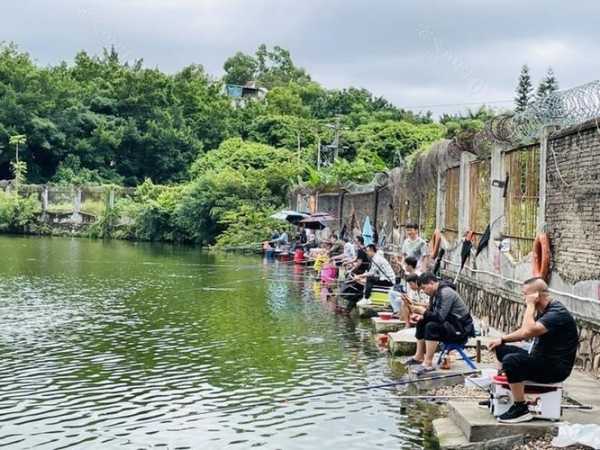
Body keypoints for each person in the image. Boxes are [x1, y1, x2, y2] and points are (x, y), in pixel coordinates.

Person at [486, 277, 578, 423]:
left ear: (537, 295)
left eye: (525, 294)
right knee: (502, 349)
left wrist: (530, 306)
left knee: (512, 361)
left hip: (554, 369)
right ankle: (502, 394)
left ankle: (520, 408)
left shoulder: (557, 313)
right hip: (541, 359)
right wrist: (502, 340)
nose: (523, 298)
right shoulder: (545, 310)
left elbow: (528, 331)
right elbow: (524, 332)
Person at [406, 272, 474, 375]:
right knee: (421, 322)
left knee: (431, 326)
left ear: (431, 283)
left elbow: (439, 318)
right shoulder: (436, 293)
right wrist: (421, 315)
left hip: (461, 330)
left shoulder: (446, 293)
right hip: (451, 324)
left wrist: (423, 312)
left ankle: (428, 363)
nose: (424, 291)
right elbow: (434, 313)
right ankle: (419, 356)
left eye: (424, 288)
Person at [340, 236, 370, 310]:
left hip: (360, 272)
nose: (354, 242)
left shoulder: (361, 250)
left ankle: (349, 308)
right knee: (354, 288)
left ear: (359, 241)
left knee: (351, 288)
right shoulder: (362, 249)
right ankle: (348, 307)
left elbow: (359, 263)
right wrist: (348, 262)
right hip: (361, 271)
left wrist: (351, 270)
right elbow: (356, 259)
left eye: (355, 241)